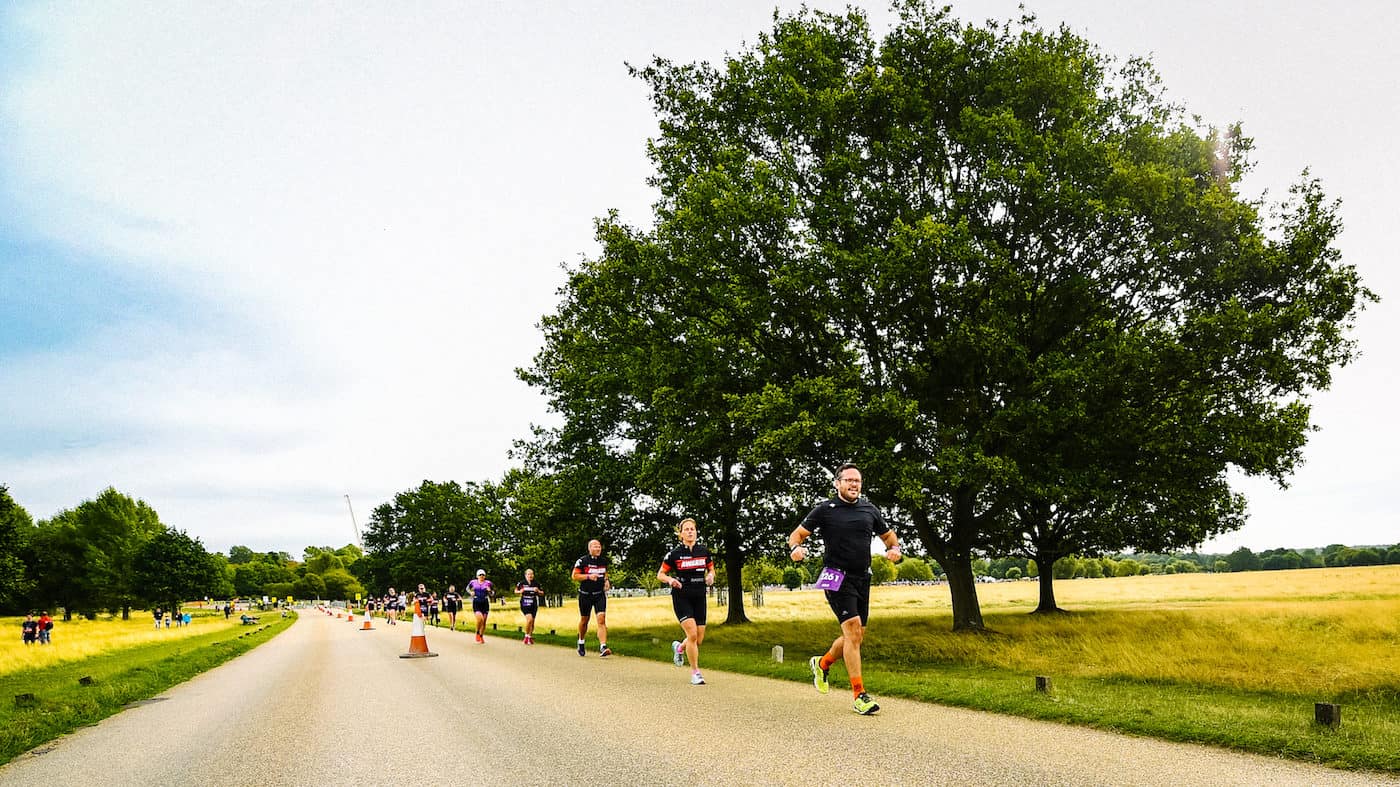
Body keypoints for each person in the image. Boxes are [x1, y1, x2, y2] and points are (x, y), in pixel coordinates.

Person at [788, 463, 902, 716]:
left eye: (857, 481)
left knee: (857, 636)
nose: (854, 484)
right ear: (837, 483)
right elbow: (796, 535)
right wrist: (795, 549)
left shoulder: (869, 510)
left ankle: (822, 663)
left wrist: (894, 550)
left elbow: (889, 538)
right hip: (836, 577)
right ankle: (859, 695)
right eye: (848, 480)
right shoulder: (825, 509)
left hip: (863, 577)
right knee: (852, 632)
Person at [658, 517, 715, 685]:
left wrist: (711, 576)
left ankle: (679, 648)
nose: (690, 531)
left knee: (698, 639)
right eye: (687, 529)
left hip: (699, 595)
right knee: (692, 634)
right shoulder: (674, 554)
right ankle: (695, 672)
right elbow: (660, 574)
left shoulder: (704, 551)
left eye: (693, 529)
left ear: (696, 532)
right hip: (682, 595)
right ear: (681, 534)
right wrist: (670, 581)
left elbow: (711, 569)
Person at [571, 539, 612, 657]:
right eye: (595, 546)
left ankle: (603, 646)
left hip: (599, 594)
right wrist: (588, 577)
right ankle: (581, 641)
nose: (598, 549)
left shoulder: (603, 561)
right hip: (585, 595)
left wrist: (606, 581)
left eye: (599, 546)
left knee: (601, 619)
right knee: (584, 620)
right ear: (589, 549)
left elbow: (605, 573)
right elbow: (575, 576)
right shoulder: (582, 561)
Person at [515, 569, 543, 644]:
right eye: (529, 574)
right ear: (525, 575)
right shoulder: (522, 583)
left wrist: (538, 591)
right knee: (529, 619)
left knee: (532, 622)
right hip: (525, 603)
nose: (530, 575)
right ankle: (526, 636)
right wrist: (520, 591)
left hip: (533, 603)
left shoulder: (536, 583)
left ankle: (530, 637)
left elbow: (542, 593)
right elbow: (516, 591)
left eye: (532, 574)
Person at [467, 570, 493, 643]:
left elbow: (493, 593)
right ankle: (477, 632)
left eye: (483, 575)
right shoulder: (473, 582)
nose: (481, 576)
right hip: (476, 602)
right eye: (480, 575)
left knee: (484, 621)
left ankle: (481, 636)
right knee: (480, 619)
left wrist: (490, 591)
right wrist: (471, 592)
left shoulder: (488, 583)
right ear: (477, 576)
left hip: (485, 602)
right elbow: (467, 589)